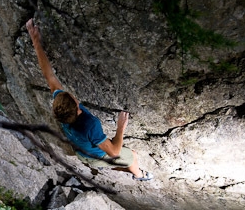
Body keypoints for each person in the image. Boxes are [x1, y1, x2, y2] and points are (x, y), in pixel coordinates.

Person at [26, 18, 153, 181]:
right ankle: (140, 175)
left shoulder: (63, 110)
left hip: (82, 152)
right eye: (72, 96)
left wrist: (36, 41)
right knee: (132, 156)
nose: (70, 93)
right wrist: (121, 127)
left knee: (115, 154)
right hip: (96, 156)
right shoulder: (90, 124)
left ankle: (107, 166)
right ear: (77, 107)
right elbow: (113, 152)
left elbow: (48, 74)